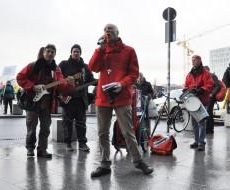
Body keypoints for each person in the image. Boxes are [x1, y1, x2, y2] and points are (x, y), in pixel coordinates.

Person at [88, 23, 153, 177]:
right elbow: (92, 67)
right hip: (103, 97)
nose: (107, 32)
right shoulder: (102, 51)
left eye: (110, 30)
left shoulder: (129, 51)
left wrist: (121, 84)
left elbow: (133, 73)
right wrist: (100, 49)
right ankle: (104, 164)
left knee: (128, 131)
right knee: (102, 132)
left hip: (121, 95)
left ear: (118, 33)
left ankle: (138, 161)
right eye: (105, 30)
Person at [17, 44, 75, 158]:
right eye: (48, 51)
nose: (50, 53)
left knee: (45, 128)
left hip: (47, 104)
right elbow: (20, 77)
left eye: (53, 52)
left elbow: (61, 87)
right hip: (32, 102)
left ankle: (42, 150)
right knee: (31, 128)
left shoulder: (56, 70)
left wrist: (70, 83)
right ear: (43, 52)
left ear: (55, 54)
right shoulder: (33, 65)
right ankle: (30, 149)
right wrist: (33, 86)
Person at [59, 44, 96, 152]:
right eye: (74, 51)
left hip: (81, 100)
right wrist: (66, 80)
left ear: (80, 53)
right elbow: (57, 77)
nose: (76, 53)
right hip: (68, 100)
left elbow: (91, 79)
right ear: (71, 53)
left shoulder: (85, 67)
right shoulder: (64, 64)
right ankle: (68, 144)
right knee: (67, 123)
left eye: (78, 51)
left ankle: (82, 143)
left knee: (81, 123)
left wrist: (101, 81)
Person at [184, 55, 214, 151]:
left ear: (200, 61)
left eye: (195, 60)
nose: (193, 61)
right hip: (192, 101)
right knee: (194, 123)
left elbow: (209, 85)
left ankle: (201, 142)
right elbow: (186, 85)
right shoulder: (189, 74)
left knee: (201, 122)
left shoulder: (205, 73)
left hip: (202, 101)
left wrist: (201, 89)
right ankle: (196, 141)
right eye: (192, 60)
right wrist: (185, 89)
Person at [204, 66, 221, 134]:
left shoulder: (213, 75)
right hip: (206, 97)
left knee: (209, 112)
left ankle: (210, 129)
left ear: (208, 70)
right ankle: (208, 128)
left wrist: (212, 94)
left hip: (211, 97)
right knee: (207, 112)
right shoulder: (205, 77)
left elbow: (218, 86)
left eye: (205, 70)